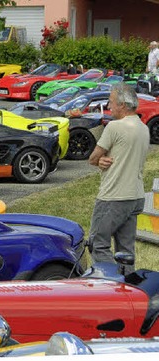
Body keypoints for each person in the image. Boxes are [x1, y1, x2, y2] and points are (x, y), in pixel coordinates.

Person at [88, 83, 150, 274]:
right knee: (125, 250)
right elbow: (119, 157)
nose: (109, 107)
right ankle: (129, 287)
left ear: (123, 105)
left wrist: (99, 160)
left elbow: (93, 157)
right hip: (136, 195)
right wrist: (102, 161)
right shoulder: (143, 127)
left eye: (112, 103)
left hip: (113, 196)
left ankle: (112, 280)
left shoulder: (114, 127)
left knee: (97, 244)